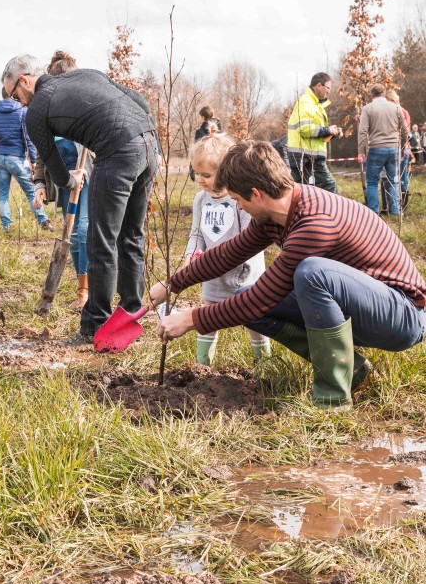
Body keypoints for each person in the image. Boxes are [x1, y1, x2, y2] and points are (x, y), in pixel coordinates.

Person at [149, 140, 426, 410]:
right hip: (363, 308)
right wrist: (172, 284)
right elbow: (228, 254)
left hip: (402, 315)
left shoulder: (314, 221)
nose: (240, 208)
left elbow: (264, 297)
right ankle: (352, 370)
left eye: (238, 200)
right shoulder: (277, 213)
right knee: (246, 298)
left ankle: (332, 398)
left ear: (256, 194)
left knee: (311, 273)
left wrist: (190, 319)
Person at [1, 54, 158, 345]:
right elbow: (142, 102)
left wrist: (72, 180)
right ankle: (132, 315)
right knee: (132, 236)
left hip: (117, 153)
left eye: (15, 95)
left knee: (100, 242)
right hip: (149, 146)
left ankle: (94, 327)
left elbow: (56, 170)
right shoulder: (88, 74)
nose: (20, 103)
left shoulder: (36, 110)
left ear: (24, 80)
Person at [186, 130, 270, 365]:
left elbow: (249, 240)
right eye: (196, 173)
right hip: (212, 275)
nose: (200, 180)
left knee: (255, 319)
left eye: (206, 174)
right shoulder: (200, 200)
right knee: (207, 320)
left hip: (245, 275)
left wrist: (240, 267)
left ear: (224, 172)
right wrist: (191, 256)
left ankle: (263, 363)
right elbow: (196, 234)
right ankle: (202, 366)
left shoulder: (238, 200)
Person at [33, 50, 92, 309]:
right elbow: (42, 155)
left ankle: (85, 289)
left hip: (88, 177)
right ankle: (81, 288)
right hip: (64, 181)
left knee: (83, 230)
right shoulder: (47, 113)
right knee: (72, 233)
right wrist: (40, 184)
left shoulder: (87, 107)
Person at [0, 87, 51, 232]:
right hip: (16, 158)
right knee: (31, 191)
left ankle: (6, 226)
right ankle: (43, 221)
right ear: (14, 95)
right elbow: (28, 139)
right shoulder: (22, 111)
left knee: (2, 194)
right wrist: (34, 160)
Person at [358, 84, 408, 217]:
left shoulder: (367, 109)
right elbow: (405, 131)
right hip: (394, 149)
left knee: (373, 182)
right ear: (384, 94)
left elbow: (362, 132)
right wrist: (402, 148)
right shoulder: (396, 108)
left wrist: (361, 151)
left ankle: (373, 214)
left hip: (376, 149)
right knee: (394, 181)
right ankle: (396, 213)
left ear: (371, 95)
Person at [287, 72, 342, 192]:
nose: (329, 91)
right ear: (318, 86)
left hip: (310, 157)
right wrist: (327, 130)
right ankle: (334, 211)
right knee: (329, 186)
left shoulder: (314, 104)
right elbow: (304, 129)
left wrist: (331, 133)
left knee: (300, 192)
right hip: (305, 157)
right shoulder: (306, 102)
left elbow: (316, 135)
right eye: (328, 88)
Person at [386, 90, 412, 211]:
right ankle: (398, 205)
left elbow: (405, 132)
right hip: (398, 147)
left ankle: (402, 205)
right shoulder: (400, 111)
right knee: (399, 177)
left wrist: (401, 148)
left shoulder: (401, 112)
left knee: (401, 177)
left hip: (402, 148)